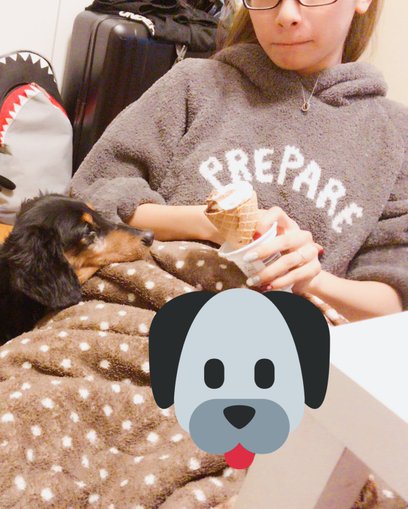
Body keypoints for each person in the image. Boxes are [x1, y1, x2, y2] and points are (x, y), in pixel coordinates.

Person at [70, 0, 407, 322]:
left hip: (272, 345)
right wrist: (207, 224)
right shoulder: (193, 84)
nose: (286, 15)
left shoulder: (395, 135)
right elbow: (90, 197)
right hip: (131, 311)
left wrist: (312, 278)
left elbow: (394, 299)